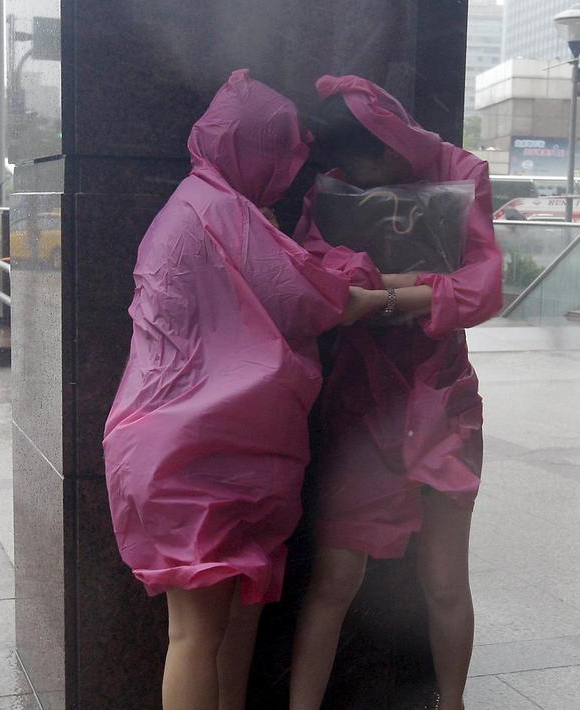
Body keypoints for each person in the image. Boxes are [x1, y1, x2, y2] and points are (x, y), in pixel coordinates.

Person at [102, 69, 387, 710]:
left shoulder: (195, 203)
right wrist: (392, 291)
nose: (286, 173)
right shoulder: (224, 212)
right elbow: (314, 298)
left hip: (174, 445)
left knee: (213, 628)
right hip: (201, 453)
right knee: (197, 635)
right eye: (281, 153)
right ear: (253, 148)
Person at [288, 75, 504, 710]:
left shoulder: (461, 171)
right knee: (334, 577)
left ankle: (453, 703)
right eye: (348, 162)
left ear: (389, 137)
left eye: (369, 156)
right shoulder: (335, 183)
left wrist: (381, 293)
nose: (361, 172)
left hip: (442, 401)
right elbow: (312, 266)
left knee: (443, 579)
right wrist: (427, 283)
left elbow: (485, 287)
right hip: (364, 403)